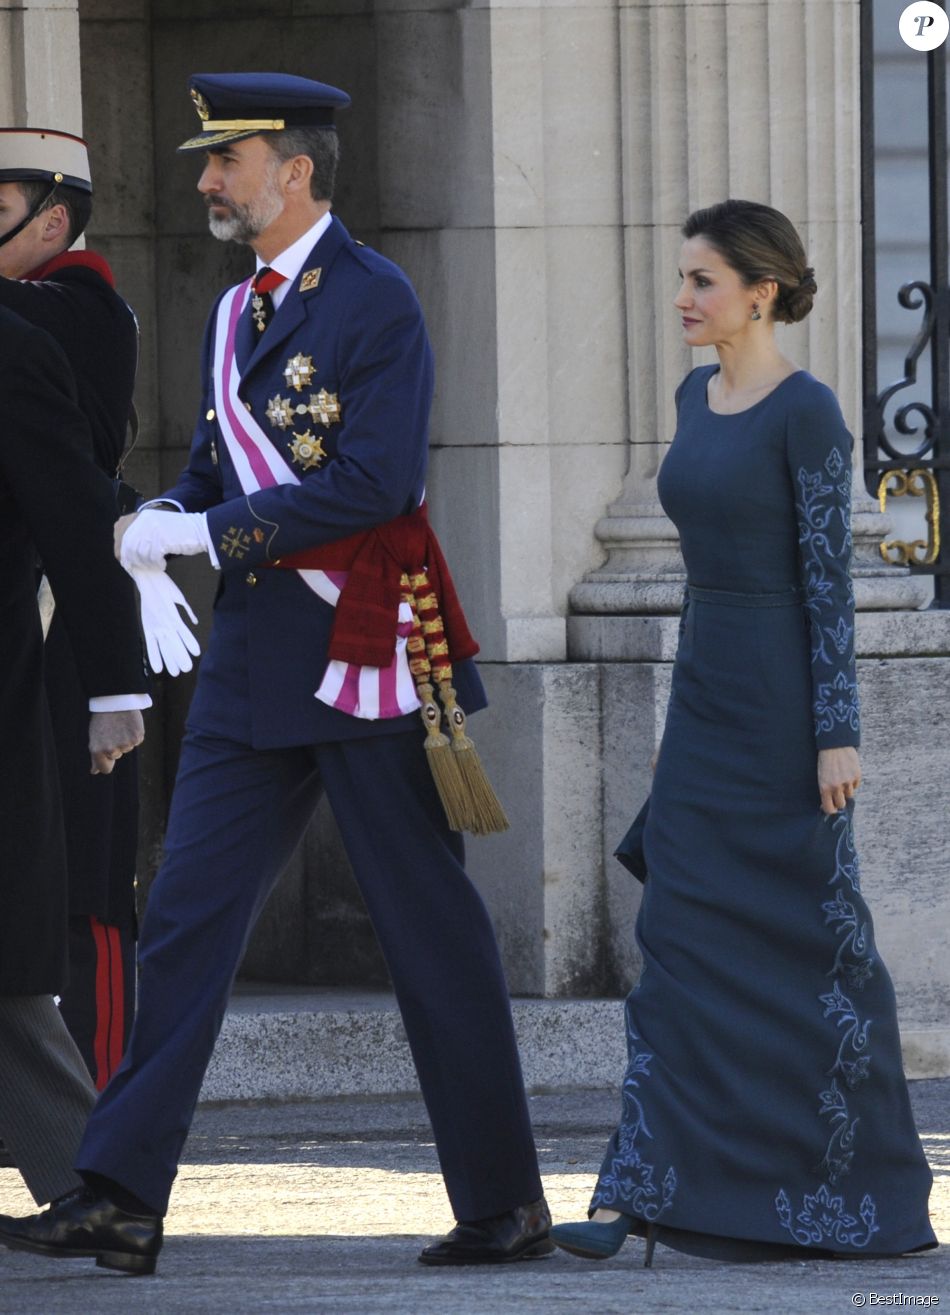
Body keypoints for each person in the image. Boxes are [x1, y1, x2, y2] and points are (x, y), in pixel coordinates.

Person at [0, 72, 548, 1277]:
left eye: (225, 160)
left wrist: (212, 535)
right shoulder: (236, 307)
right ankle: (121, 1193)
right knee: (186, 924)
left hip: (360, 651)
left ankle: (505, 1199)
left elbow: (374, 482)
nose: (204, 180)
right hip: (256, 660)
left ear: (291, 170)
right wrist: (160, 517)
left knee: (428, 930)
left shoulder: (375, 302)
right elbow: (216, 460)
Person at [550, 199, 937, 1264]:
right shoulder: (693, 393)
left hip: (779, 708)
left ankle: (870, 1199)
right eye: (679, 280)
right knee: (678, 941)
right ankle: (644, 1189)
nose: (681, 299)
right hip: (703, 690)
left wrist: (834, 732)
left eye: (700, 282)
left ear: (759, 291)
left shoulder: (806, 411)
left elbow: (826, 581)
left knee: (813, 949)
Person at [0, 127, 142, 1088]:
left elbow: (79, 513)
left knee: (73, 878)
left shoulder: (78, 309)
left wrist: (113, 682)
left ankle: (98, 1136)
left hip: (61, 622)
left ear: (55, 220)